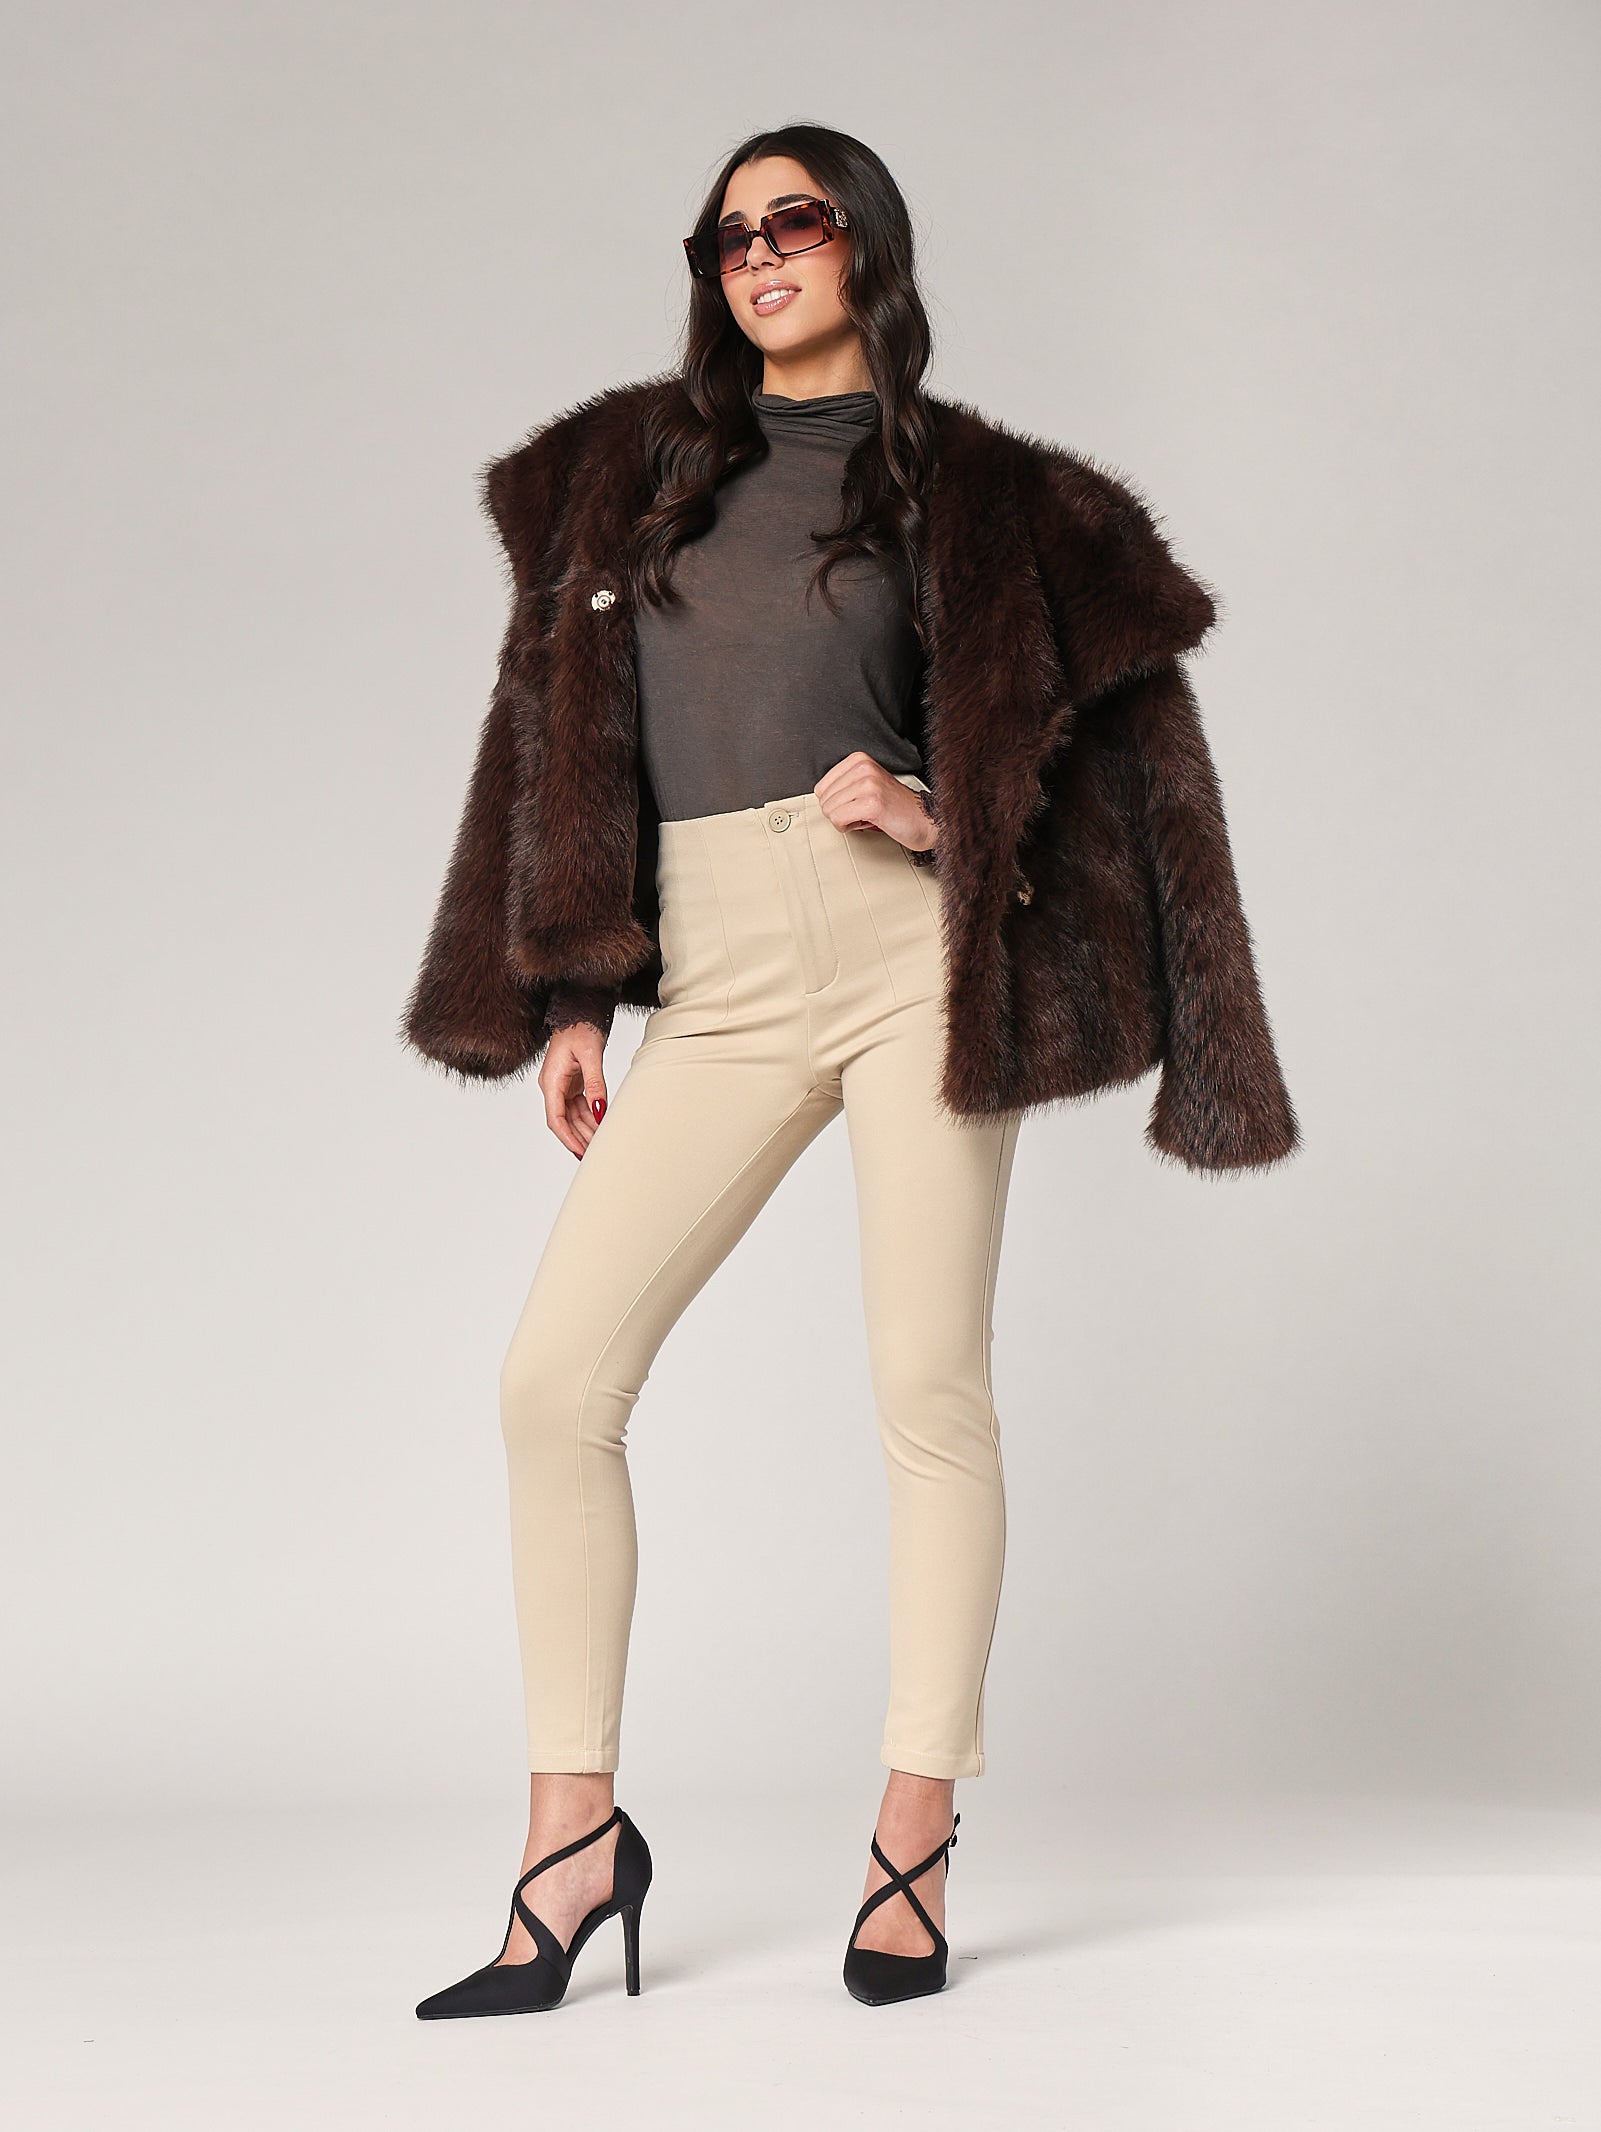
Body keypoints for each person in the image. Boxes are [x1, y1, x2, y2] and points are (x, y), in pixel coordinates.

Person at [404, 123, 1299, 2018]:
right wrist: (570, 991)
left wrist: (929, 810)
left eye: (793, 222)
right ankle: (572, 1841)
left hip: (906, 958)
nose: (757, 256)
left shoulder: (981, 496)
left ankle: (912, 1834)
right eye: (727, 234)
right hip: (715, 971)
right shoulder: (627, 478)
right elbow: (548, 737)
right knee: (554, 1382)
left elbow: (1096, 780)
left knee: (923, 1385)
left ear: (866, 249)